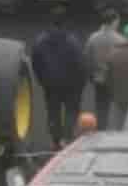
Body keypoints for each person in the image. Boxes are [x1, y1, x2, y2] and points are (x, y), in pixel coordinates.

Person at [30, 10, 88, 148]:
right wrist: (81, 83)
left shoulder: (40, 41)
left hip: (50, 84)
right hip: (71, 85)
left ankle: (55, 140)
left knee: (53, 111)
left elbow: (36, 63)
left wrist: (42, 81)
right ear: (65, 23)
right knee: (71, 110)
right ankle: (67, 138)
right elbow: (80, 64)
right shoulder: (73, 42)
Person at [84, 11, 126, 117]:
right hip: (113, 79)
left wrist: (90, 75)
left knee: (101, 106)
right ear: (113, 22)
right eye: (117, 21)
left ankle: (101, 127)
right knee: (117, 108)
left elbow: (87, 58)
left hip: (98, 79)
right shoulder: (121, 40)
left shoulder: (93, 38)